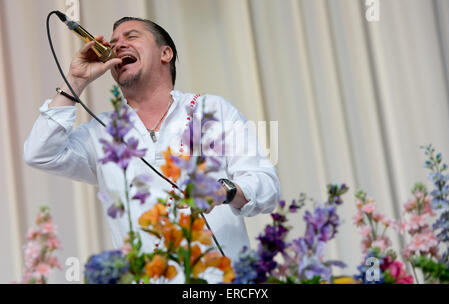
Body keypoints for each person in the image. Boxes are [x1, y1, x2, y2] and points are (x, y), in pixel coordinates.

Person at [24, 17, 281, 278]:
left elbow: (267, 186)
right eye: (112, 44)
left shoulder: (212, 110)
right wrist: (75, 82)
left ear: (165, 53)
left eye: (131, 37)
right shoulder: (100, 132)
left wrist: (223, 190)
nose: (118, 46)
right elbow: (40, 153)